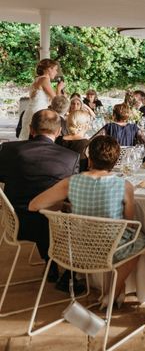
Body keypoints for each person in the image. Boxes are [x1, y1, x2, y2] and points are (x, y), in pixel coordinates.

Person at [29, 136, 145, 309]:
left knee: (129, 240)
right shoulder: (125, 186)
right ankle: (115, 290)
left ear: (89, 158)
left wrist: (65, 205)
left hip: (75, 247)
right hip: (110, 247)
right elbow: (128, 224)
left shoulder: (70, 182)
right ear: (115, 161)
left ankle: (116, 290)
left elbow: (35, 205)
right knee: (140, 240)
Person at [0, 109, 79, 284]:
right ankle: (71, 272)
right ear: (59, 132)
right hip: (52, 227)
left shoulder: (8, 150)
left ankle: (51, 262)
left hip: (14, 221)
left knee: (45, 206)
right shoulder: (70, 157)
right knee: (66, 211)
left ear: (31, 129)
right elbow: (71, 194)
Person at [18, 59, 65, 140]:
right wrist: (59, 89)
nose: (56, 72)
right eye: (55, 69)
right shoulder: (44, 80)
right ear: (49, 69)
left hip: (32, 110)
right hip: (38, 112)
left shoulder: (38, 79)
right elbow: (56, 101)